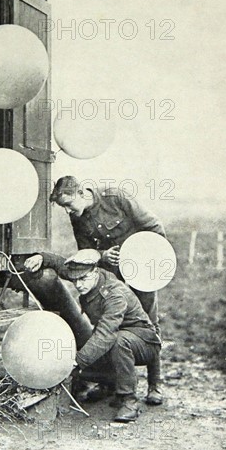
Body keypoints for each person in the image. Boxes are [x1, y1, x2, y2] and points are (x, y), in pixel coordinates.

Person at [49, 176, 166, 405]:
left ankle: (155, 384)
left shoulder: (116, 197)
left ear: (83, 193)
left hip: (141, 270)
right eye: (63, 207)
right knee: (107, 324)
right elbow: (86, 254)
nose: (68, 211)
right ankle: (110, 383)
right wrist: (102, 256)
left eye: (68, 204)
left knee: (148, 323)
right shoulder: (78, 217)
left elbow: (154, 227)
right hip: (111, 277)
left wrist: (147, 259)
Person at [24, 249, 161, 422]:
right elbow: (63, 265)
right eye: (74, 281)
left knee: (117, 342)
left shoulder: (114, 294)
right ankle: (110, 386)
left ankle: (129, 400)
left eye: (83, 279)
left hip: (144, 342)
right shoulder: (87, 274)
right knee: (89, 360)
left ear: (95, 272)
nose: (78, 285)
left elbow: (106, 334)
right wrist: (42, 257)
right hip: (117, 338)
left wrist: (77, 361)